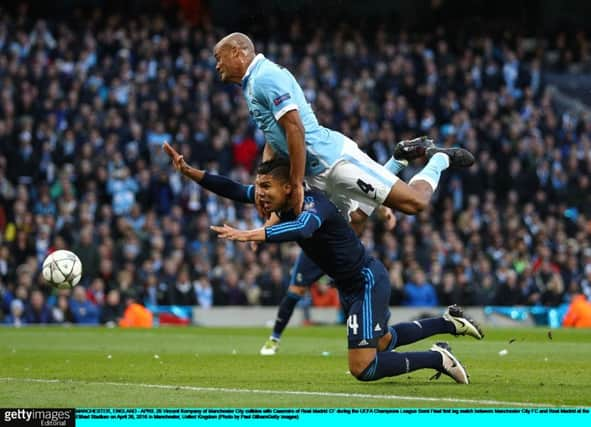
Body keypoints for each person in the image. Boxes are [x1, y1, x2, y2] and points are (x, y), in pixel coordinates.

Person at [213, 32, 474, 354]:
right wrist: (267, 181)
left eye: (219, 57)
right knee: (353, 224)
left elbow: (295, 129)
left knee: (415, 203)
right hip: (318, 173)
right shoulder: (252, 85)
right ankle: (398, 158)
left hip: (334, 161)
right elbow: (274, 137)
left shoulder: (267, 76)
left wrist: (294, 184)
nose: (216, 65)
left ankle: (438, 159)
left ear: (238, 52)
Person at [166, 149, 483, 384]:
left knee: (364, 367)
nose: (259, 195)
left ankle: (437, 358)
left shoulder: (314, 204)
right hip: (350, 285)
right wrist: (190, 172)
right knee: (383, 341)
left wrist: (254, 234)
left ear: (288, 187)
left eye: (265, 187)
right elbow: (233, 189)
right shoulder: (280, 200)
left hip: (366, 281)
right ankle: (448, 323)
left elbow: (303, 228)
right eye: (258, 188)